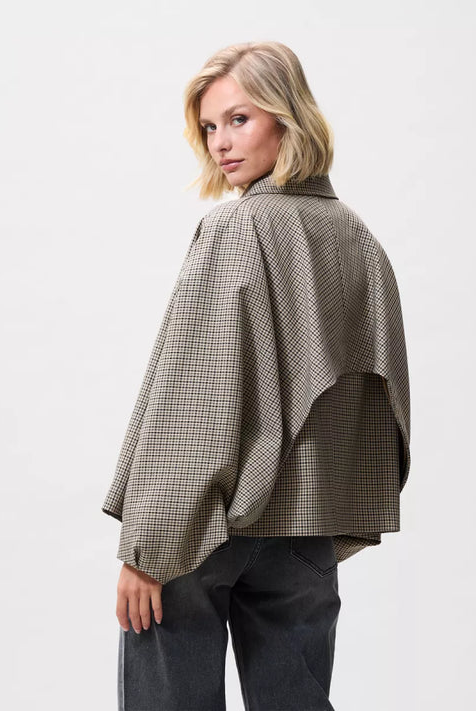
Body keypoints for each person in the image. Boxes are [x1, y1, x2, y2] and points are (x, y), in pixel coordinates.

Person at [102, 40, 411, 711]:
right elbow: (379, 394)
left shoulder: (236, 227)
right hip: (306, 531)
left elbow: (195, 398)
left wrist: (148, 547)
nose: (220, 142)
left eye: (239, 119)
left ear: (288, 117)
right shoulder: (358, 238)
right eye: (209, 126)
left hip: (204, 531)